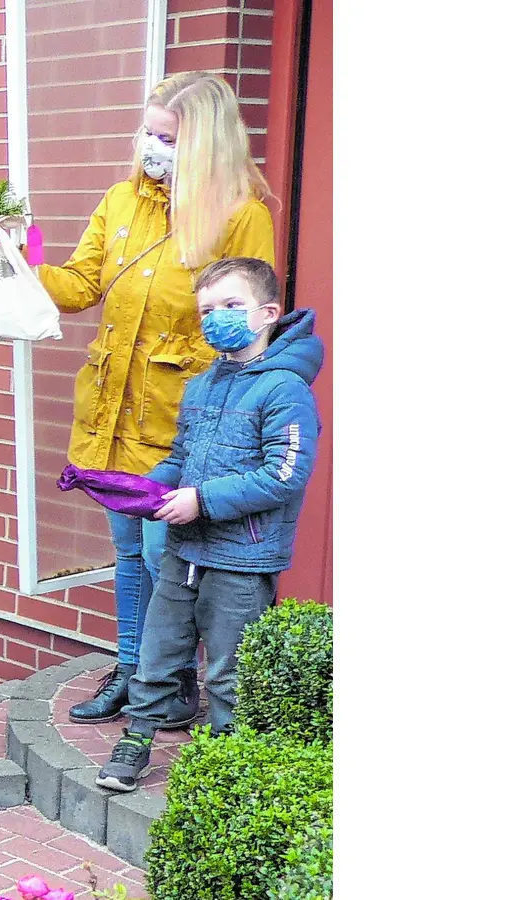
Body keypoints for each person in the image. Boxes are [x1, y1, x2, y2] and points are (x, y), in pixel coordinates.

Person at [35, 71, 277, 726]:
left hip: (180, 425)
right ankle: (133, 670)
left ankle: (172, 683)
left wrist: (192, 377)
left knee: (160, 554)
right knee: (129, 554)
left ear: (201, 145)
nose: (151, 145)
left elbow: (244, 324)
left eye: (166, 137)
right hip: (112, 416)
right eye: (147, 130)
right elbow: (82, 282)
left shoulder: (240, 217)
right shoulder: (122, 202)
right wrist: (14, 261)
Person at [95, 256, 322, 793]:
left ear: (267, 313)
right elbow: (181, 456)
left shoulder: (285, 388)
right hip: (184, 550)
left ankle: (226, 758)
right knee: (158, 650)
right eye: (207, 310)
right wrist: (148, 487)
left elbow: (283, 476)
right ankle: (137, 738)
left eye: (231, 306)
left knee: (228, 670)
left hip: (242, 558)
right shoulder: (200, 385)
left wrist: (202, 500)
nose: (216, 317)